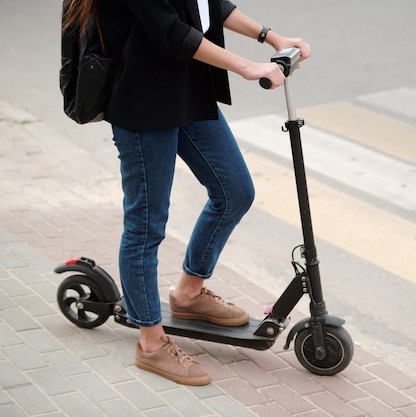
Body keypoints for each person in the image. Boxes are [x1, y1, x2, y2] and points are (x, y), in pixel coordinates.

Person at [62, 0, 311, 385]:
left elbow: (209, 5)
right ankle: (150, 343)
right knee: (146, 226)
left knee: (234, 192)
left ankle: (189, 293)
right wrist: (246, 66)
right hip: (142, 101)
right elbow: (170, 31)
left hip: (187, 88)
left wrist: (272, 37)